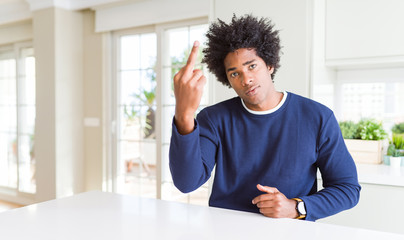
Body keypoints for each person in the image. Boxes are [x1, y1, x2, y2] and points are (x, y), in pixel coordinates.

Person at [169, 14, 361, 221]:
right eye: (234, 73)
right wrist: (184, 114)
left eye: (252, 66)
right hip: (226, 229)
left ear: (269, 65)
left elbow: (347, 188)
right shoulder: (214, 118)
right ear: (227, 80)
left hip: (289, 231)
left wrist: (297, 208)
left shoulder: (318, 117)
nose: (246, 79)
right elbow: (186, 183)